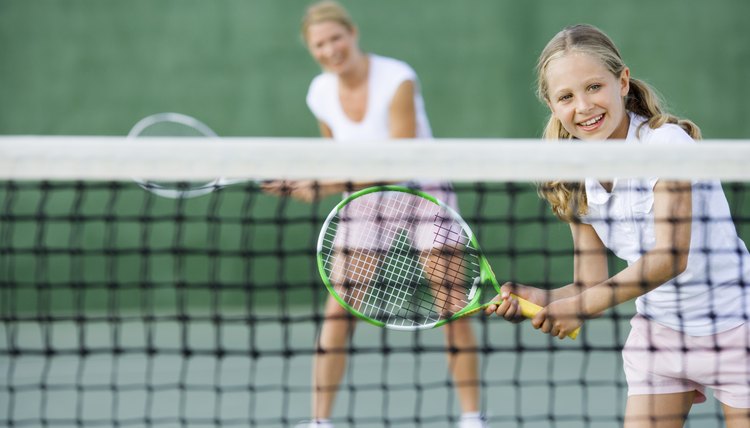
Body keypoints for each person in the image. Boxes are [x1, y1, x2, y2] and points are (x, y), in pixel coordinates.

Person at [486, 24, 750, 427]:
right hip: (660, 337)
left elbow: (670, 258)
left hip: (738, 327)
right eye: (566, 97)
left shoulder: (668, 145)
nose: (584, 106)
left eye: (594, 87)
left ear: (622, 81)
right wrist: (539, 298)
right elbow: (588, 283)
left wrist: (580, 307)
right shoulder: (573, 177)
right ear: (552, 105)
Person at [263, 2, 487, 427]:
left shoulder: (397, 78)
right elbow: (336, 159)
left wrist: (322, 186)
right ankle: (319, 422)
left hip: (424, 194)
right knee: (337, 311)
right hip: (365, 203)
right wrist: (307, 182)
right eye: (320, 44)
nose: (330, 50)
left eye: (336, 38)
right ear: (311, 50)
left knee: (453, 309)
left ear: (353, 33)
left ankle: (472, 417)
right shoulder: (319, 93)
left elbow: (396, 161)